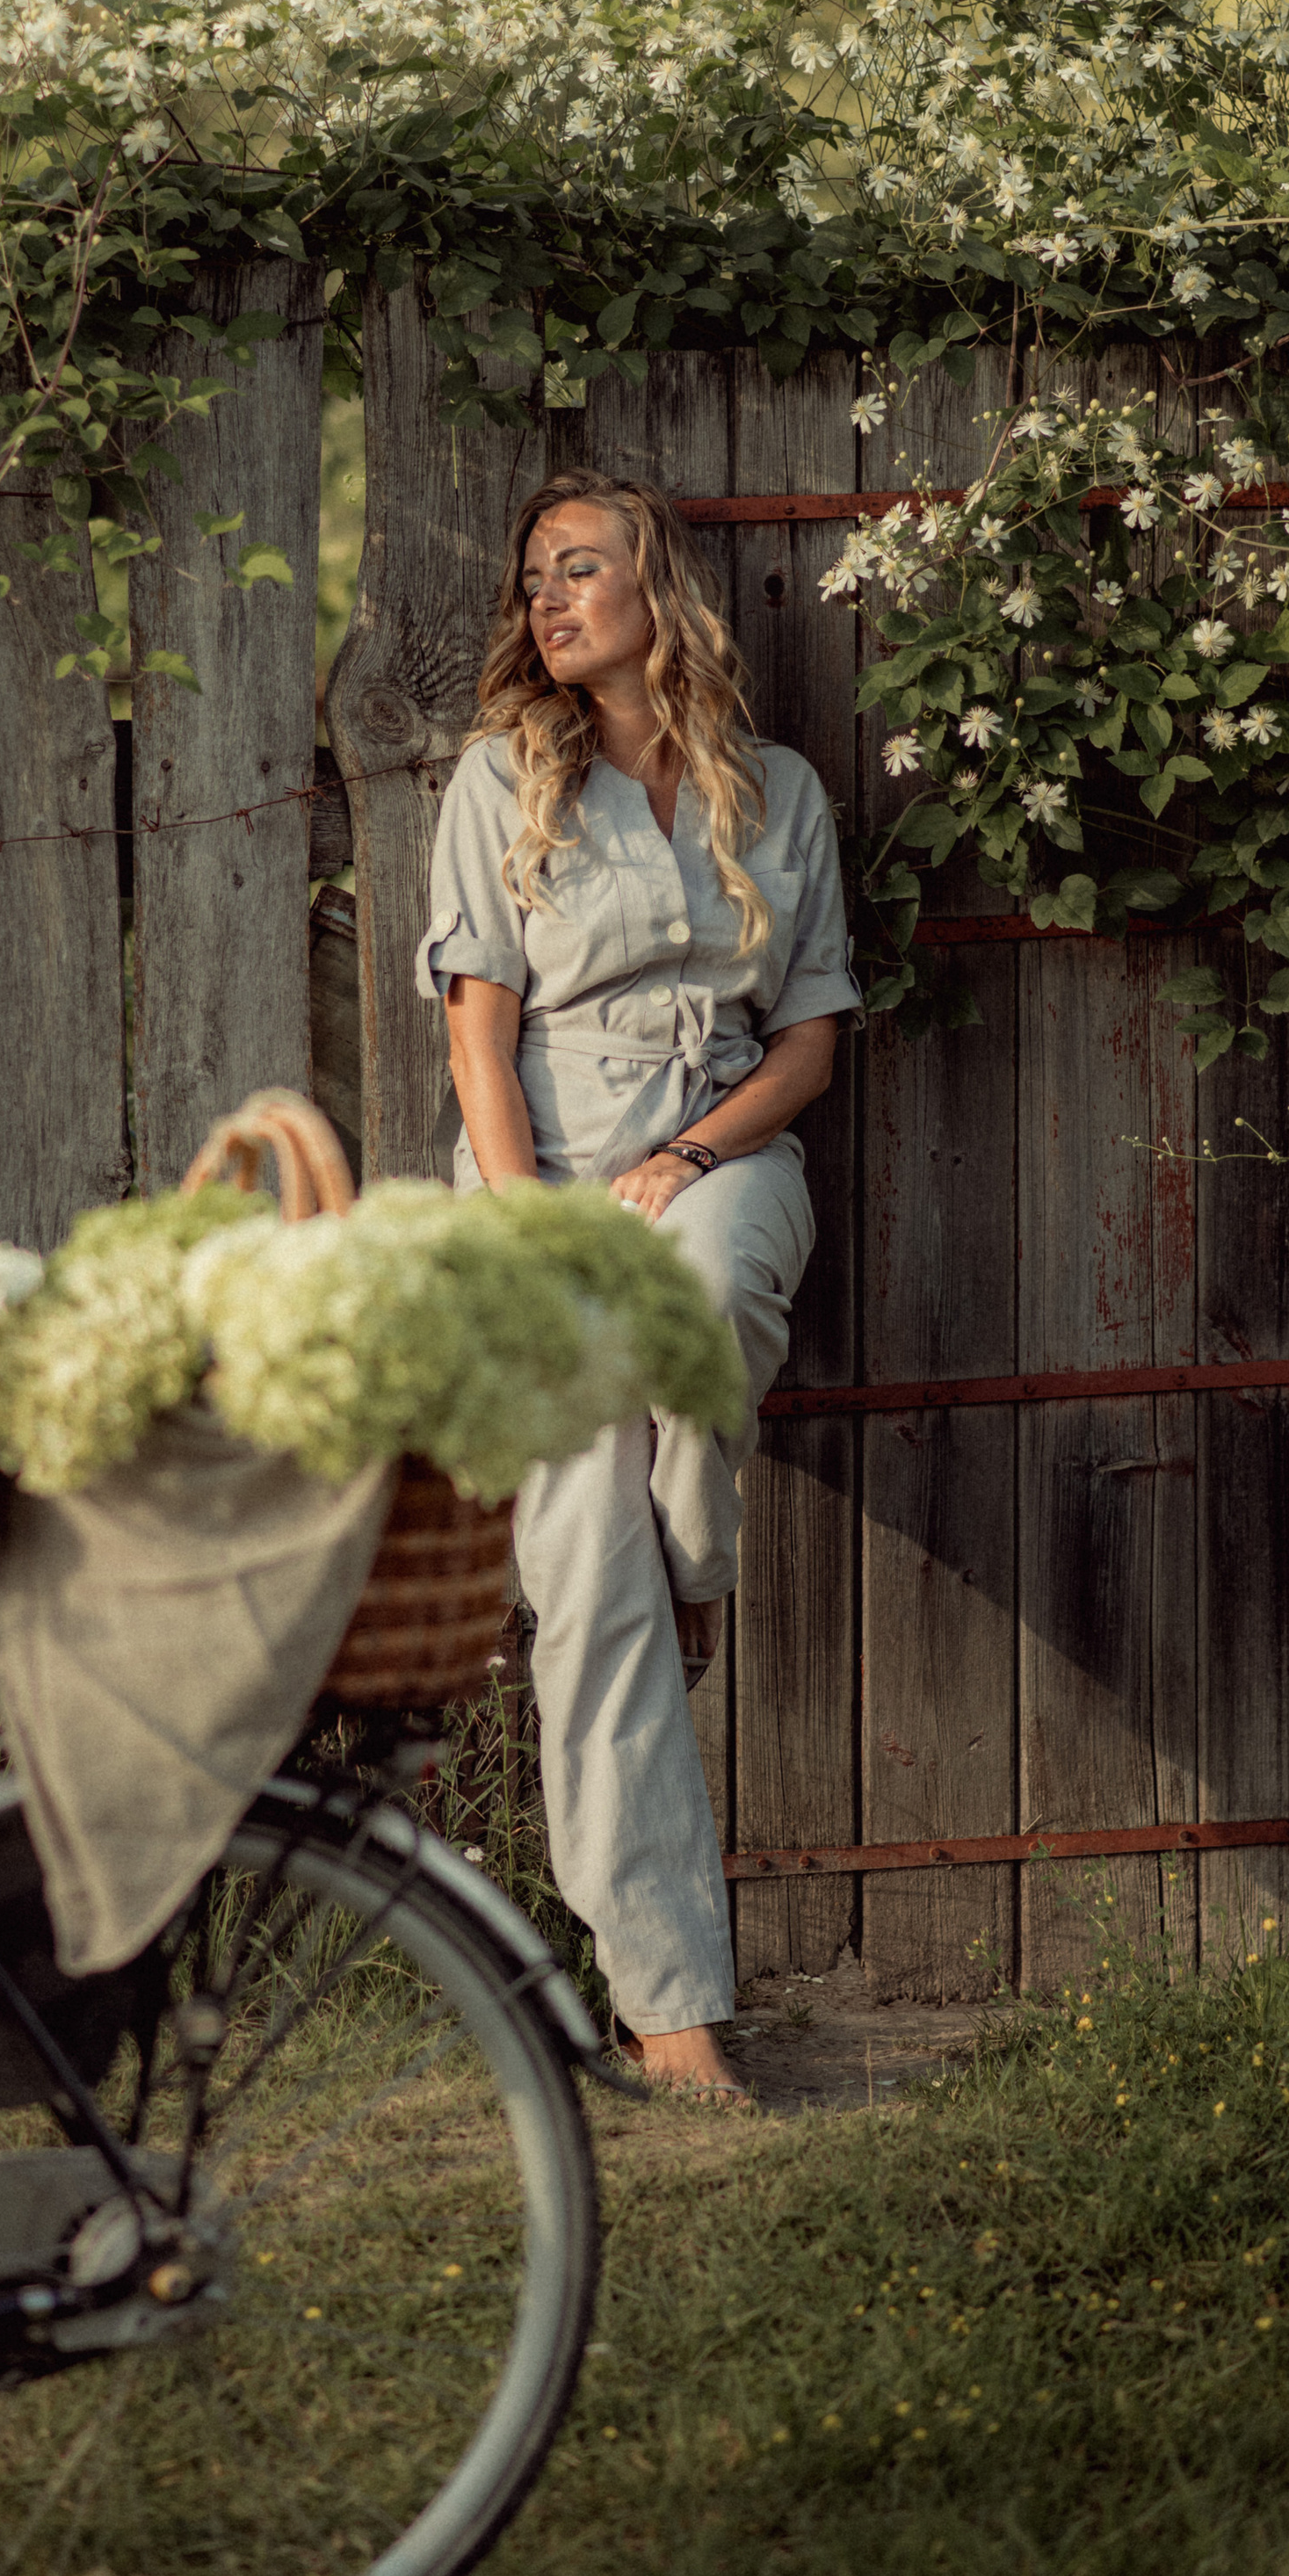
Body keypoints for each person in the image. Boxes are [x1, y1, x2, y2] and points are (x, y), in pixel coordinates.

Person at [416, 467, 859, 2101]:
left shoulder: (779, 792)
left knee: (720, 1298)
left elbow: (810, 1046)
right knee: (586, 1577)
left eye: (581, 567)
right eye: (534, 575)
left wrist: (688, 1157)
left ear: (654, 588)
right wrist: (531, 1230)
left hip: (725, 1146)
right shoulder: (496, 778)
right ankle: (674, 2015)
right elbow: (477, 1033)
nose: (549, 597)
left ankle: (702, 1555)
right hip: (538, 1170)